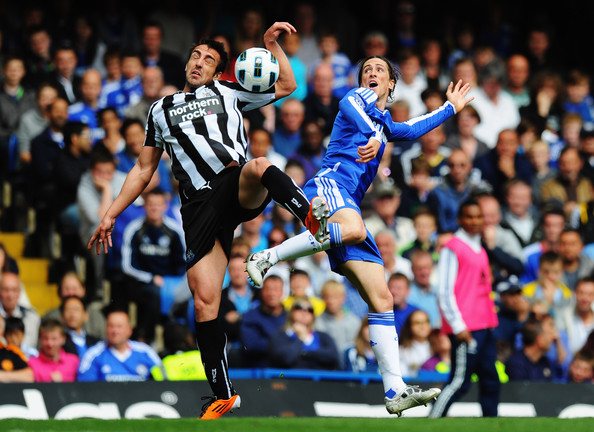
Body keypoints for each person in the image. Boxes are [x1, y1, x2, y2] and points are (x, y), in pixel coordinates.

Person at [87, 22, 328, 420]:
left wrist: (271, 45)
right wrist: (111, 214)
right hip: (198, 208)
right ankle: (223, 396)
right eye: (195, 56)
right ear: (187, 64)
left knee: (259, 165)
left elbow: (287, 85)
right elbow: (144, 169)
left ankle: (311, 219)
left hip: (234, 185)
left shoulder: (230, 92)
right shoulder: (160, 110)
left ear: (219, 71)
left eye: (209, 60)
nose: (199, 62)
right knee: (204, 302)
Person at [247, 54, 473, 416]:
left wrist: (450, 108)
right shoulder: (360, 99)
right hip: (330, 185)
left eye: (379, 70)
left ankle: (395, 390)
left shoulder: (385, 122)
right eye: (367, 69)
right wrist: (371, 134)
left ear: (392, 84)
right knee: (354, 229)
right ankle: (267, 257)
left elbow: (413, 128)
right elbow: (347, 105)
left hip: (347, 204)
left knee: (382, 297)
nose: (371, 72)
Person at [429, 199, 500, 418]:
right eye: (469, 216)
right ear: (460, 219)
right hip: (466, 326)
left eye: (478, 216)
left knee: (491, 380)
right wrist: (458, 325)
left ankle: (491, 424)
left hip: (484, 324)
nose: (474, 221)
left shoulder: (480, 248)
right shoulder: (453, 248)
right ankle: (431, 421)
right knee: (460, 382)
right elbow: (444, 290)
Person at [120, 187, 186, 343]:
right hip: (142, 282)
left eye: (158, 204)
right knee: (152, 295)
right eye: (151, 204)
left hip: (171, 283)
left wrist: (170, 282)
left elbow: (183, 262)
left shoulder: (175, 230)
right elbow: (127, 266)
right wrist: (151, 278)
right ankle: (145, 339)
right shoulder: (134, 229)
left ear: (165, 206)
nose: (154, 208)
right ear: (145, 206)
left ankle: (180, 341)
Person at [77, 309, 161, 382]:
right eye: (111, 326)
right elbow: (85, 388)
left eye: (119, 326)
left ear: (129, 330)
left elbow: (163, 382)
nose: (115, 331)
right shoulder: (93, 354)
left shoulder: (146, 352)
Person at [268, 297, 340, 370]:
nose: (304, 312)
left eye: (310, 310)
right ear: (291, 312)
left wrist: (303, 354)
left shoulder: (323, 336)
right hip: (287, 376)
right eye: (299, 308)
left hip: (319, 376)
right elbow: (286, 359)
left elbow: (333, 357)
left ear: (313, 316)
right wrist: (300, 338)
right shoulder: (279, 336)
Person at [314, 279, 362, 369]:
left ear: (344, 298)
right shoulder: (316, 322)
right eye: (327, 297)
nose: (331, 301)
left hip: (350, 370)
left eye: (335, 297)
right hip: (327, 370)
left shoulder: (354, 322)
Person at [505, 314, 564, 381]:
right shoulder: (516, 364)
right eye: (548, 335)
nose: (551, 340)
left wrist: (558, 342)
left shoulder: (545, 362)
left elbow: (561, 365)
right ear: (540, 340)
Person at [28, 318, 79, 382]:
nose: (50, 344)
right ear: (39, 339)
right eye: (45, 338)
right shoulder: (31, 363)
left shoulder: (74, 361)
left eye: (54, 339)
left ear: (63, 339)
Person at [0, 272, 40, 349]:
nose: (10, 295)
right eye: (5, 290)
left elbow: (32, 346)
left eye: (14, 290)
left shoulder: (31, 317)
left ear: (20, 292)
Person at [399, 309, 432, 378]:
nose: (422, 326)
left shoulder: (440, 348)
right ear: (409, 327)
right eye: (417, 323)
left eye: (426, 321)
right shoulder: (402, 351)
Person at [0, 315, 34, 382]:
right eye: (10, 334)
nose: (13, 338)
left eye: (0, 326)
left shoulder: (10, 352)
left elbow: (29, 376)